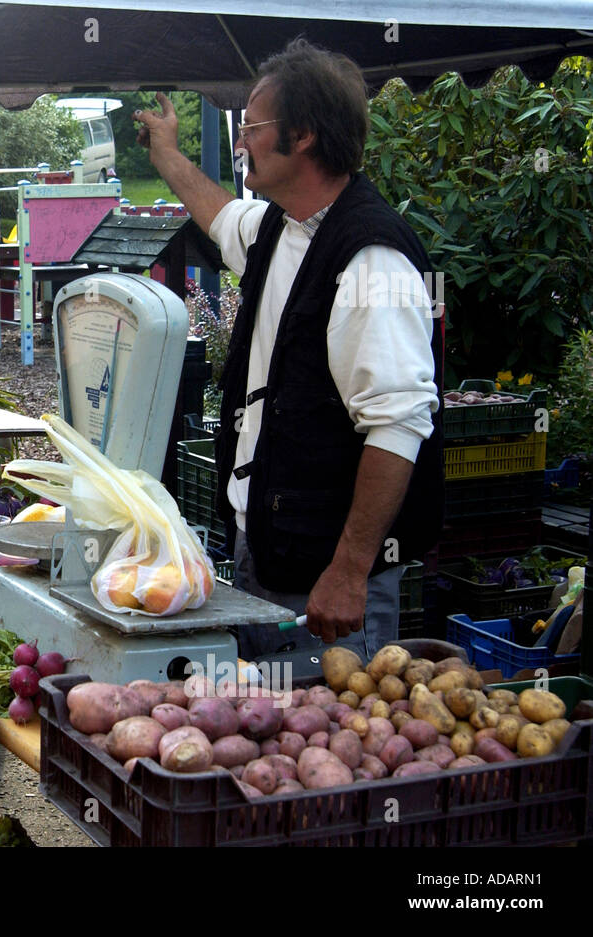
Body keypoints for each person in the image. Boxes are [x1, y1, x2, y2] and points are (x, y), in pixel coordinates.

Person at [135, 39, 443, 659]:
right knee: (269, 740)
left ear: (302, 136)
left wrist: (351, 570)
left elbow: (398, 424)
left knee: (333, 742)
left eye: (251, 126)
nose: (242, 140)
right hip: (267, 549)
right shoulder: (282, 226)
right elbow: (218, 213)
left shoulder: (369, 260)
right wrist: (167, 154)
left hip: (328, 580)